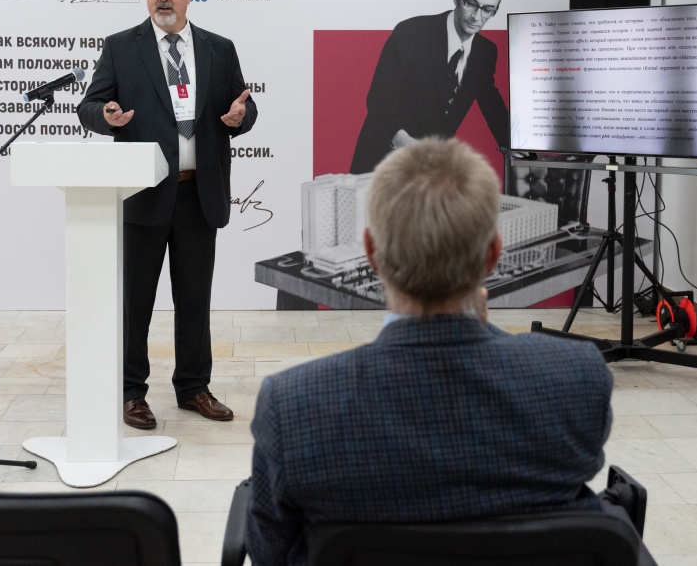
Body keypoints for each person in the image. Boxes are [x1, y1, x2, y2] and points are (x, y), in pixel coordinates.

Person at [247, 137, 614, 565]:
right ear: (493, 254)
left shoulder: (294, 405)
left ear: (371, 253)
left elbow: (269, 551)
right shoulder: (578, 379)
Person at [77, 0, 257, 429]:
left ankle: (194, 387)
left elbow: (244, 106)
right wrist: (106, 117)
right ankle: (130, 392)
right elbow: (89, 106)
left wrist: (241, 118)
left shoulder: (219, 48)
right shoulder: (121, 47)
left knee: (195, 300)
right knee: (136, 302)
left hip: (200, 193)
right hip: (144, 193)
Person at [349, 0, 509, 174]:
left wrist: (520, 148)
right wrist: (403, 141)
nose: (476, 17)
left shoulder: (485, 52)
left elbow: (491, 103)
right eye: (471, 3)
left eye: (488, 9)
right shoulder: (411, 33)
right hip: (381, 160)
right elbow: (378, 99)